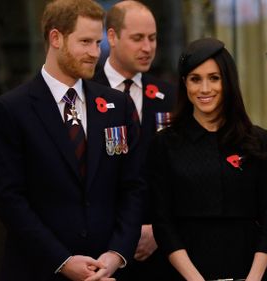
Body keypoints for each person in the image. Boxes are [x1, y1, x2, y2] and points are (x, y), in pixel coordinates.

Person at [0, 1, 145, 280]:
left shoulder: (117, 105)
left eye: (98, 43)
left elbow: (133, 186)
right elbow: (9, 200)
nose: (94, 53)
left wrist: (117, 254)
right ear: (55, 38)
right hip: (38, 270)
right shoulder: (11, 110)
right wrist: (62, 260)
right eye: (85, 42)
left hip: (107, 271)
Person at [147, 38, 267, 281]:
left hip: (250, 273)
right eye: (195, 79)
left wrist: (253, 277)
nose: (205, 89)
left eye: (214, 78)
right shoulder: (164, 143)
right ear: (185, 84)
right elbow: (163, 224)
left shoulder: (257, 140)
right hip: (185, 274)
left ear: (228, 82)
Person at [92, 1, 175, 279]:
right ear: (112, 37)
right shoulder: (87, 92)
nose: (148, 47)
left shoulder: (168, 96)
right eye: (138, 38)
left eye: (152, 38)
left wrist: (159, 229)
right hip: (102, 246)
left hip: (161, 249)